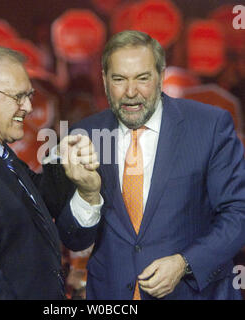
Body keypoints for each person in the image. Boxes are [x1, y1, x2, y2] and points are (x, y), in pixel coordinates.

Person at [63, 30, 245, 300]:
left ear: (160, 76)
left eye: (142, 78)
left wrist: (184, 263)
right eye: (119, 79)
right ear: (104, 80)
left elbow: (238, 214)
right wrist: (88, 195)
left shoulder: (209, 126)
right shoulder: (84, 134)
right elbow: (73, 239)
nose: (131, 92)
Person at [0, 46, 102, 300]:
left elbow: (38, 197)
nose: (27, 107)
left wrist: (65, 158)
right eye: (18, 97)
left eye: (29, 96)